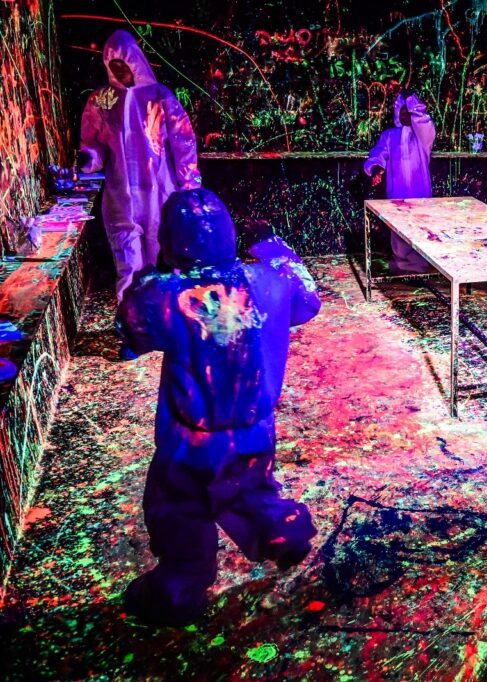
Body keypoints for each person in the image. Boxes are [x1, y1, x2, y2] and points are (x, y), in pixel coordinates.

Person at [116, 189, 320, 626]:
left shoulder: (164, 295)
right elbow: (308, 297)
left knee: (177, 507)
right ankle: (281, 528)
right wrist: (273, 246)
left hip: (188, 440)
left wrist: (153, 273)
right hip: (254, 430)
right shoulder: (269, 281)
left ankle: (181, 587)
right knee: (247, 487)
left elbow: (131, 328)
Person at [79, 29, 202, 305]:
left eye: (123, 64)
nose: (119, 71)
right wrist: (89, 158)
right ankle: (132, 324)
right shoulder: (103, 100)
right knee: (129, 267)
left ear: (134, 61)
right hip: (120, 198)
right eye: (113, 66)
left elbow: (183, 141)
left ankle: (169, 318)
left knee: (166, 263)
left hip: (160, 195)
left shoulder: (159, 97)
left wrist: (189, 185)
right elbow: (94, 143)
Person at [364, 91, 436, 274]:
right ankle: (403, 267)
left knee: (421, 230)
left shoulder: (422, 138)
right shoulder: (390, 135)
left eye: (409, 112)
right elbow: (378, 153)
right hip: (397, 193)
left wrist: (411, 99)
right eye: (402, 111)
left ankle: (420, 268)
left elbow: (424, 122)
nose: (406, 115)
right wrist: (375, 168)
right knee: (399, 232)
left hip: (420, 193)